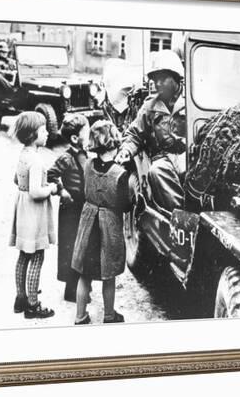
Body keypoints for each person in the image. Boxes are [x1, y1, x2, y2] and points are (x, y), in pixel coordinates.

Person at [71, 120, 131, 325]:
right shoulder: (120, 174)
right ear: (114, 144)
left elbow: (83, 191)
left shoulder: (87, 164)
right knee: (109, 274)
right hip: (108, 228)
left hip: (88, 226)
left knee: (84, 275)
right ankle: (109, 315)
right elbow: (126, 205)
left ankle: (80, 316)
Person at [115, 50, 187, 213]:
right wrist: (126, 150)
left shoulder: (191, 100)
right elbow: (134, 134)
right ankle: (178, 215)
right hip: (163, 157)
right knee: (157, 171)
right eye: (155, 80)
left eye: (162, 79)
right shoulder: (150, 106)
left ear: (176, 77)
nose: (157, 84)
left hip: (189, 155)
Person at [9, 112, 58, 319]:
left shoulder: (23, 155)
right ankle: (32, 305)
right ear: (32, 134)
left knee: (23, 255)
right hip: (34, 213)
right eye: (43, 130)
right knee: (37, 255)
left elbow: (16, 180)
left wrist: (29, 184)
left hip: (22, 209)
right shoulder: (37, 160)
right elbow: (36, 192)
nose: (47, 133)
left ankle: (20, 298)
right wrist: (52, 188)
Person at [47, 114, 90, 303]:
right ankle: (71, 290)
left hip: (83, 206)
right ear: (74, 138)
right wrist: (62, 190)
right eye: (86, 133)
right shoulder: (66, 157)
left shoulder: (85, 155)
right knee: (71, 247)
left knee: (83, 247)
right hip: (70, 209)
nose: (88, 136)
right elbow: (51, 174)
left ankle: (79, 287)